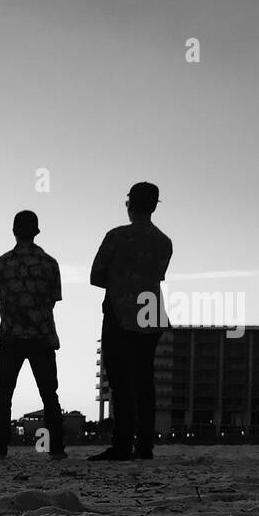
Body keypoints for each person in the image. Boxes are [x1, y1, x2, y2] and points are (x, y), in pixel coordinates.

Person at [89, 181, 173, 461]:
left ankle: (122, 444)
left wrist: (119, 281)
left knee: (121, 381)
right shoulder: (164, 242)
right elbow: (158, 274)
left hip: (120, 312)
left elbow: (96, 275)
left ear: (130, 205)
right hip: (149, 313)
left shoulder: (116, 237)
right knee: (144, 380)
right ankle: (145, 446)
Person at [0, 210, 66, 460]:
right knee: (49, 395)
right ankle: (56, 450)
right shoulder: (50, 264)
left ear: (13, 231)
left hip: (11, 336)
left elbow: (0, 298)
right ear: (37, 232)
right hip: (41, 335)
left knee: (4, 393)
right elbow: (53, 301)